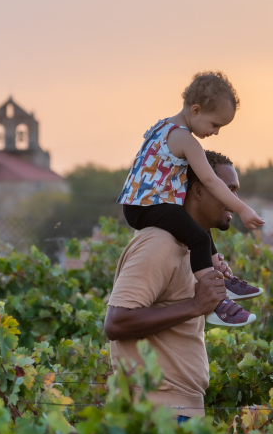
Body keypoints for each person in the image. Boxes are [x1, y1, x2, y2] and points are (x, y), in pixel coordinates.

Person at [105, 150, 246, 419]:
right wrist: (195, 306)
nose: (234, 201)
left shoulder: (192, 248)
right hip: (154, 415)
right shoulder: (160, 243)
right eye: (228, 190)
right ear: (198, 190)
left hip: (177, 411)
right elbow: (116, 323)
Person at [117, 71, 264, 327]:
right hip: (149, 206)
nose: (216, 133)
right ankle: (216, 301)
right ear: (195, 110)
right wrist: (242, 209)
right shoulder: (186, 140)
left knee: (198, 229)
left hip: (138, 204)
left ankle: (222, 278)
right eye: (215, 125)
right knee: (197, 238)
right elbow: (210, 181)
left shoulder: (162, 127)